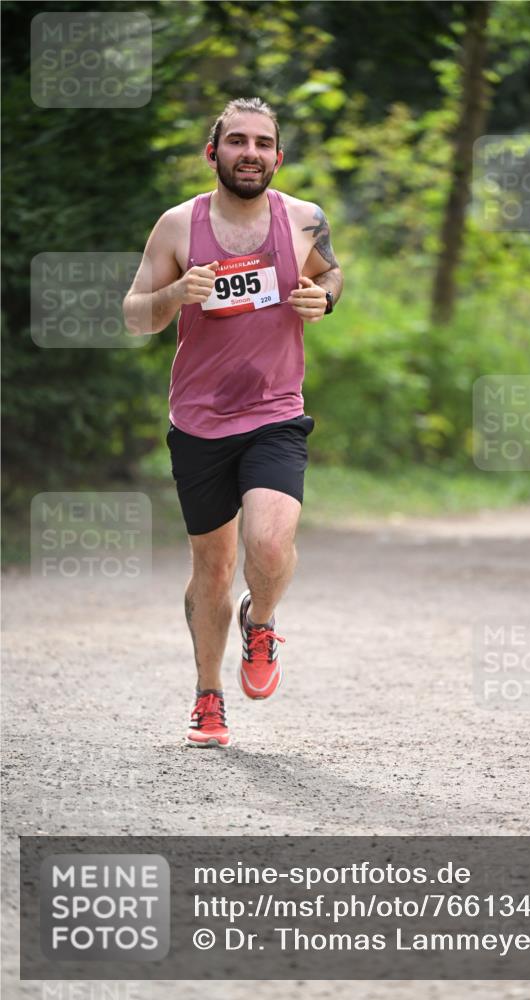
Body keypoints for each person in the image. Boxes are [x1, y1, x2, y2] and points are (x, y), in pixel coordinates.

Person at [123, 97, 343, 747]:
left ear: (278, 157)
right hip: (198, 422)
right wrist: (176, 293)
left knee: (270, 543)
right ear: (212, 152)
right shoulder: (178, 226)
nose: (250, 152)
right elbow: (135, 315)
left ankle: (262, 621)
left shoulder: (304, 220)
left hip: (275, 412)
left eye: (262, 143)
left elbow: (331, 273)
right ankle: (208, 695)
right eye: (237, 141)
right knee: (213, 569)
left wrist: (323, 298)